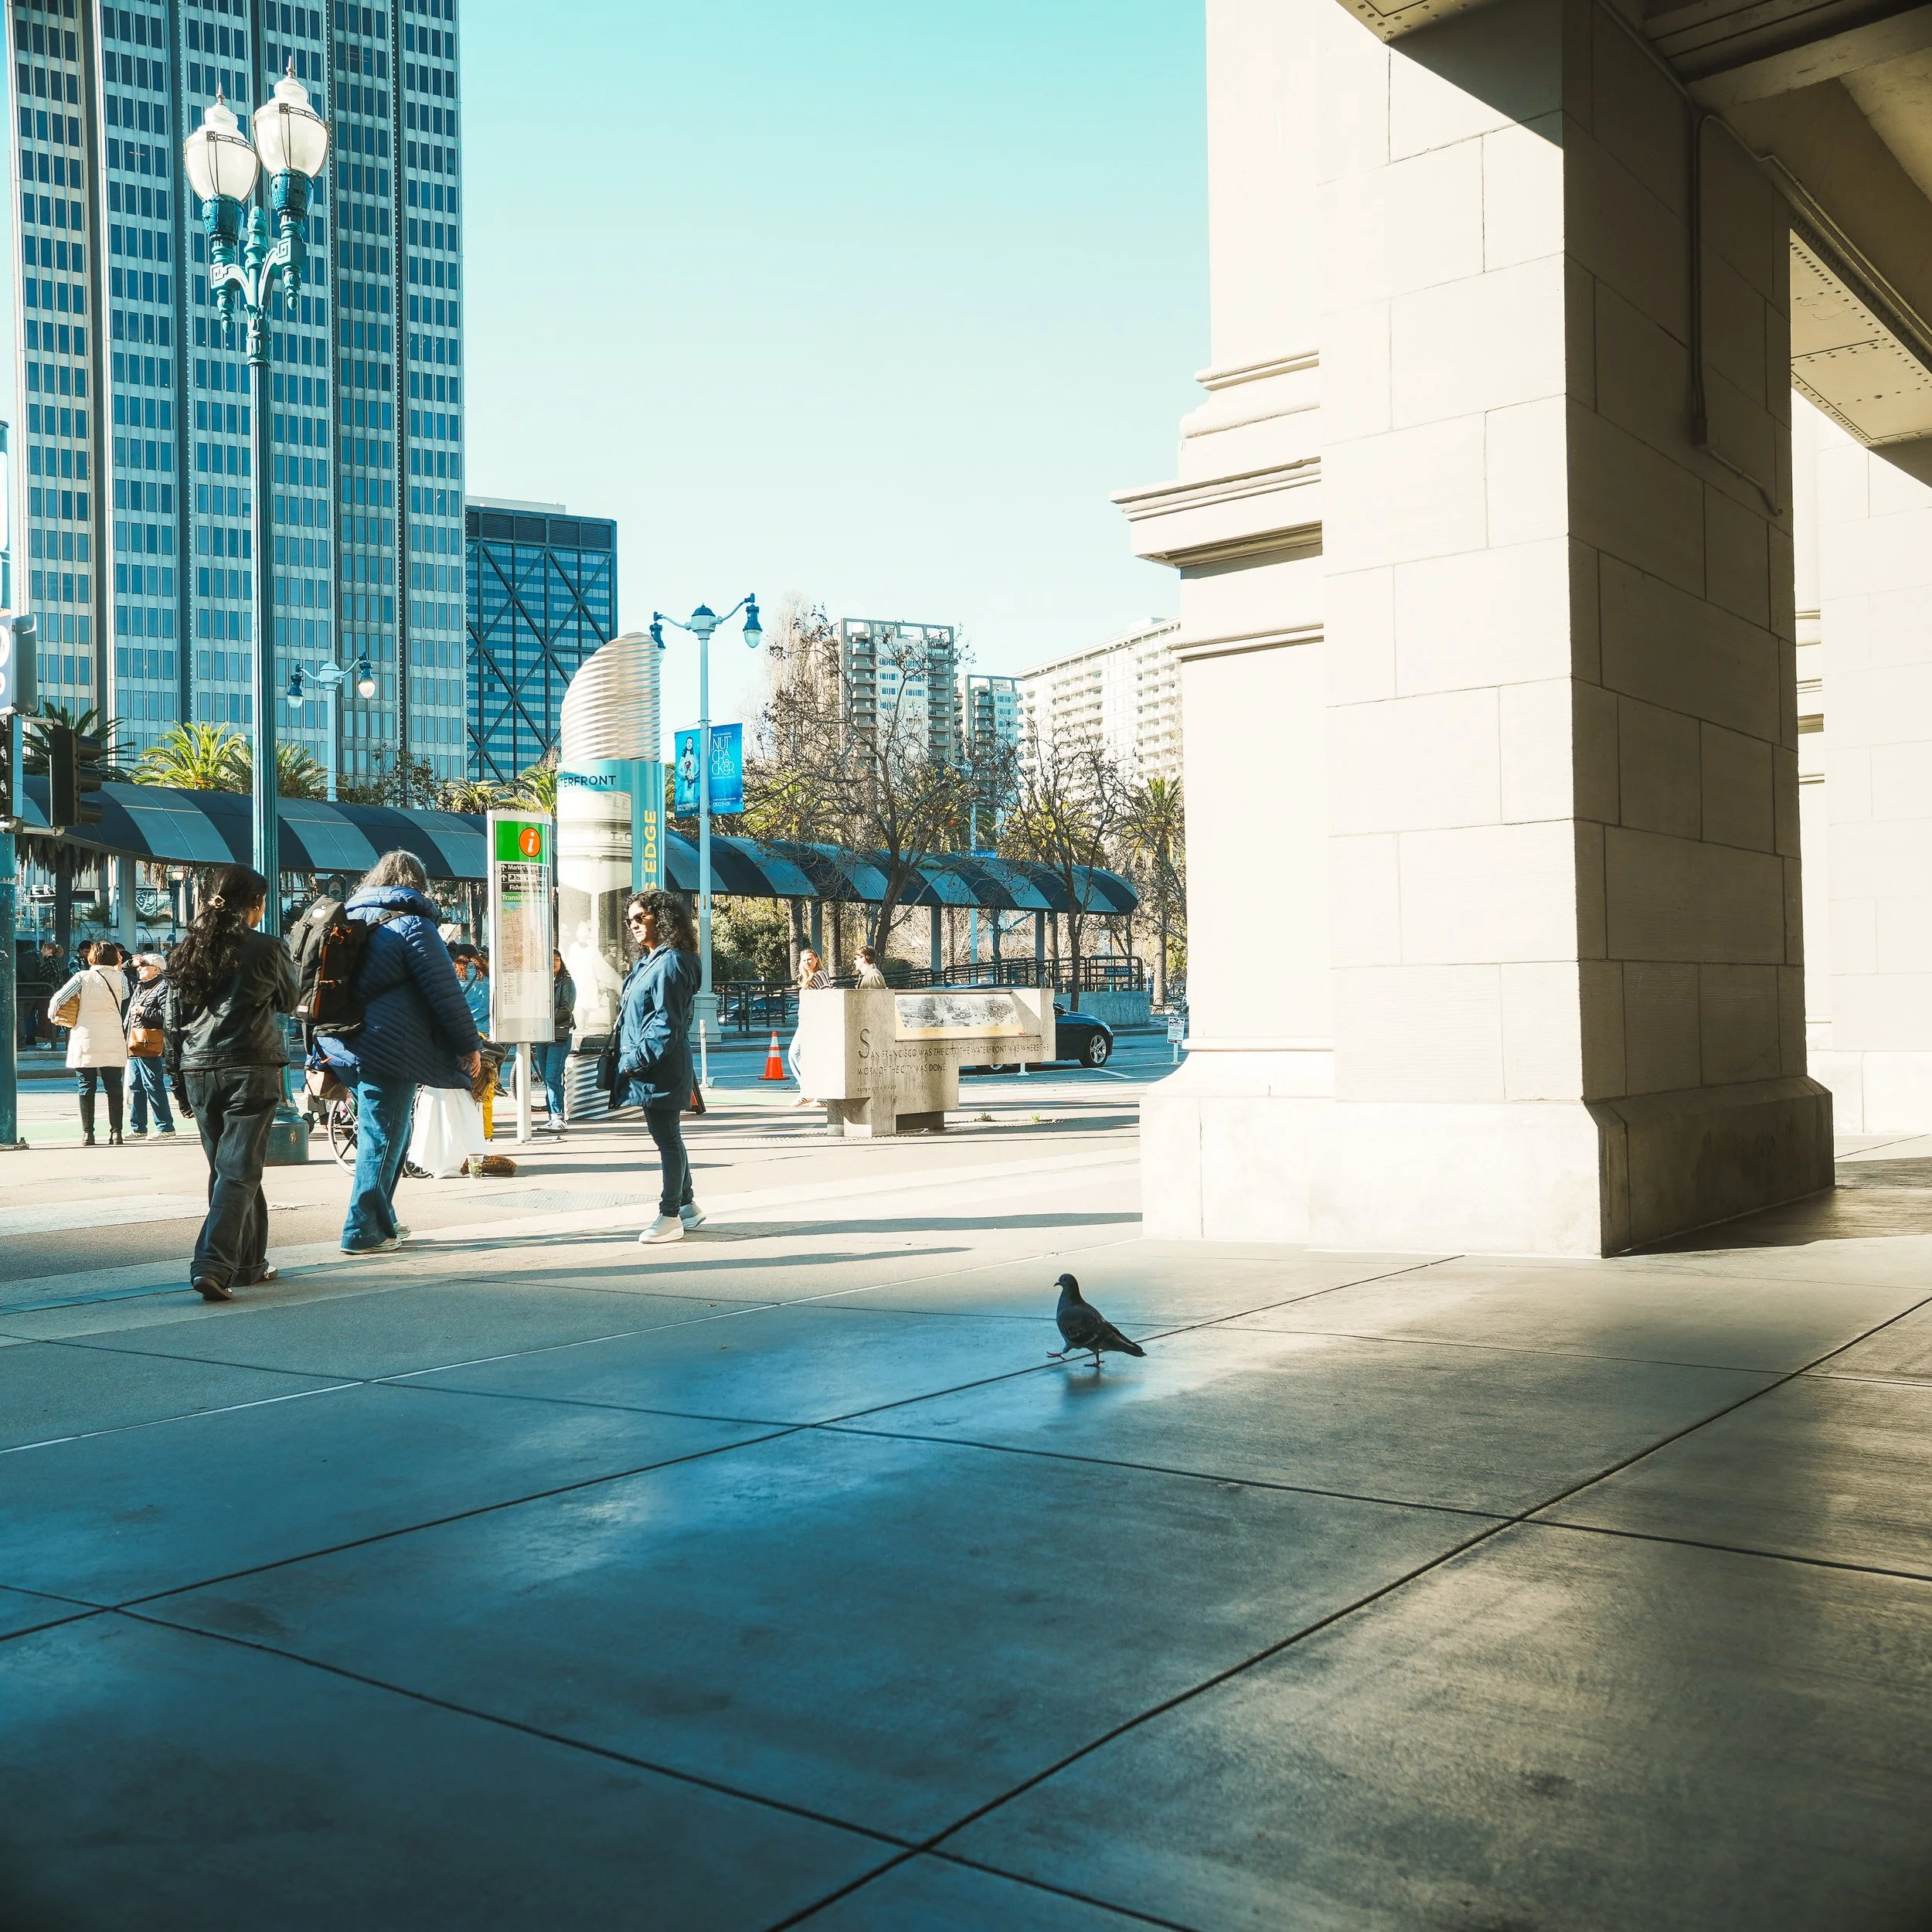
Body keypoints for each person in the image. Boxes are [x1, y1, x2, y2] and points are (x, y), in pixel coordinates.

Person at [326, 851, 481, 1255]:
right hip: (387, 1046)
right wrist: (469, 1045)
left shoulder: (350, 918)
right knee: (384, 1136)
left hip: (342, 1043)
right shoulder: (413, 924)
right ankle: (362, 1230)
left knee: (392, 1132)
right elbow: (446, 993)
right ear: (418, 884)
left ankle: (384, 1219)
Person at [162, 864, 298, 1301]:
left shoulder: (185, 950)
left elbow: (172, 1023)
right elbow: (291, 1001)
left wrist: (177, 1082)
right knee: (238, 1172)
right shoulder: (268, 948)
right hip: (251, 1066)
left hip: (198, 1068)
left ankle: (248, 1264)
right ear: (255, 905)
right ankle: (213, 1264)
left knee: (228, 1171)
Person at [617, 889, 702, 1243]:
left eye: (641, 917)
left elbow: (667, 1022)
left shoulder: (670, 963)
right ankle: (688, 1207)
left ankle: (669, 1215)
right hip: (655, 1064)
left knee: (667, 1138)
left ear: (662, 918)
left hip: (659, 1066)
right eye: (630, 920)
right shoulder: (652, 961)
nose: (634, 925)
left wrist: (634, 1061)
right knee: (669, 1136)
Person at [49, 940, 131, 1147]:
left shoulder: (82, 977)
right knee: (114, 1086)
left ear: (91, 956)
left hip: (85, 1037)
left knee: (86, 1086)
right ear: (115, 957)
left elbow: (58, 999)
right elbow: (127, 996)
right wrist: (118, 967)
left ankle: (88, 1134)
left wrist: (54, 1017)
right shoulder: (121, 978)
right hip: (112, 1035)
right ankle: (116, 1133)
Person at [124, 953, 179, 1138]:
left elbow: (167, 1016)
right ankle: (138, 1127)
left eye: (145, 965)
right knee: (135, 1085)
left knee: (153, 1084)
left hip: (148, 1041)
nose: (140, 968)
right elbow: (124, 971)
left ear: (157, 968)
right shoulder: (140, 985)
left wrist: (144, 1010)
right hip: (134, 1041)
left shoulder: (163, 986)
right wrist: (133, 962)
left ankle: (165, 1127)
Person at [536, 948, 576, 1137]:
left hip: (559, 1034)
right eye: (551, 960)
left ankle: (559, 1117)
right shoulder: (539, 983)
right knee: (547, 1077)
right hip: (541, 1035)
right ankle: (553, 1117)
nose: (555, 963)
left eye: (557, 959)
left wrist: (545, 1020)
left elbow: (566, 1009)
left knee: (553, 1076)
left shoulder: (566, 982)